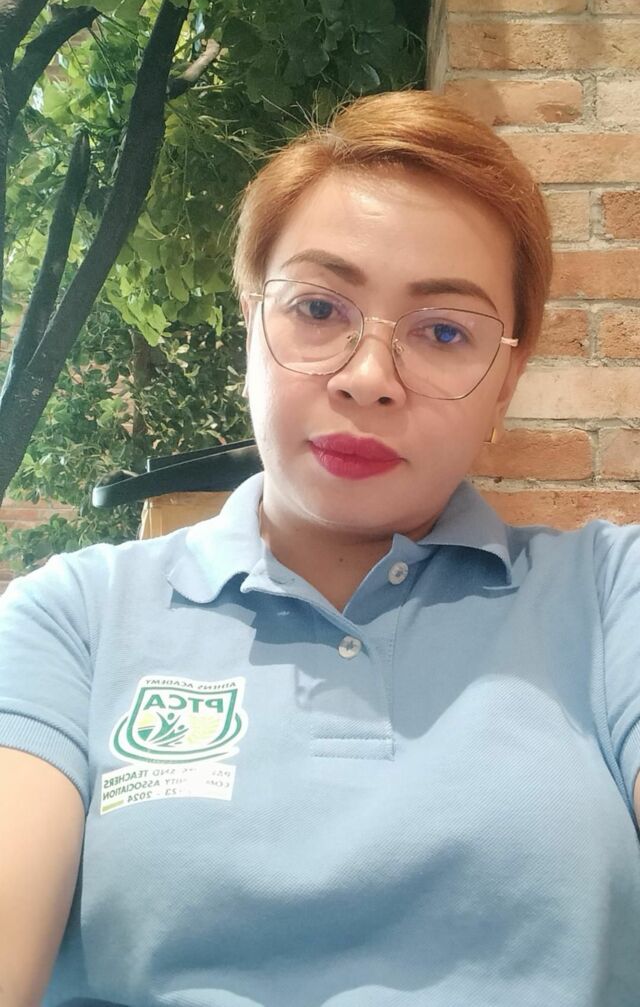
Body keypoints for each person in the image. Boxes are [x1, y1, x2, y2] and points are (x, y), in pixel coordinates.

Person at [1, 89, 639, 1007]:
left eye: (444, 331)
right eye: (316, 307)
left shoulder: (612, 601)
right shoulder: (75, 621)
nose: (369, 377)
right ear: (249, 324)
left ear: (506, 381)